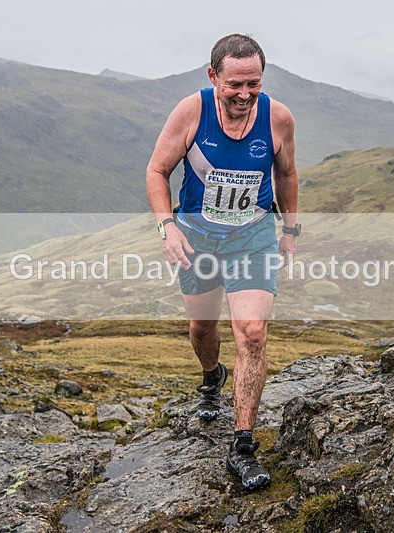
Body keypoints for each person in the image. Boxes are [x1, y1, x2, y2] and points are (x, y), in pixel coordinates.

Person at [146, 33, 299, 491]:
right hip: (198, 239)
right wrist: (166, 225)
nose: (245, 94)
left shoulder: (278, 117)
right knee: (202, 329)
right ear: (213, 76)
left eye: (254, 83)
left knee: (251, 331)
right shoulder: (191, 112)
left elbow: (287, 172)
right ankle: (212, 376)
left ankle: (243, 445)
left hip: (252, 236)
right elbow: (157, 171)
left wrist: (290, 229)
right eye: (235, 84)